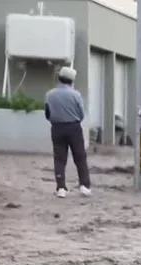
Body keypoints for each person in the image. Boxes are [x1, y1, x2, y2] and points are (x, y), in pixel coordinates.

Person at [44, 66, 91, 198]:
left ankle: (61, 188)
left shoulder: (49, 94)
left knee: (59, 158)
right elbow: (81, 114)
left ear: (59, 78)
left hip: (57, 128)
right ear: (72, 80)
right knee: (80, 156)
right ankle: (84, 185)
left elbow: (47, 113)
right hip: (73, 127)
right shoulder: (76, 95)